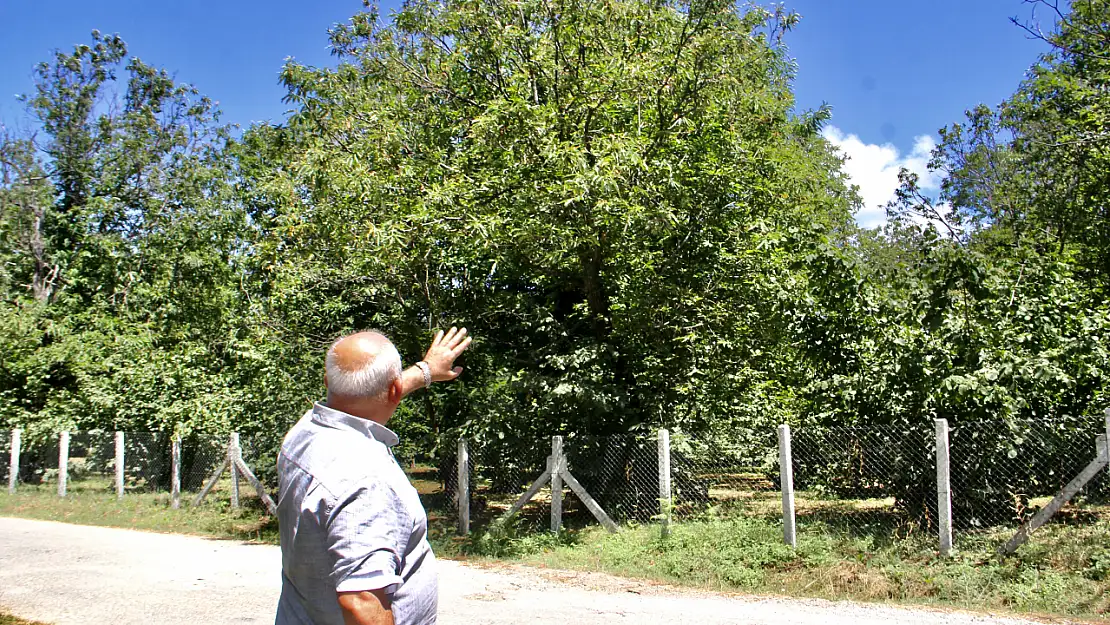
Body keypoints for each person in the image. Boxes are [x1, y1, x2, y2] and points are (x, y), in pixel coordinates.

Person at [275, 327, 472, 625]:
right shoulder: (366, 480)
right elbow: (361, 604)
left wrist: (425, 372)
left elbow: (362, 396)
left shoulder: (305, 432)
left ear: (328, 381)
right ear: (392, 390)